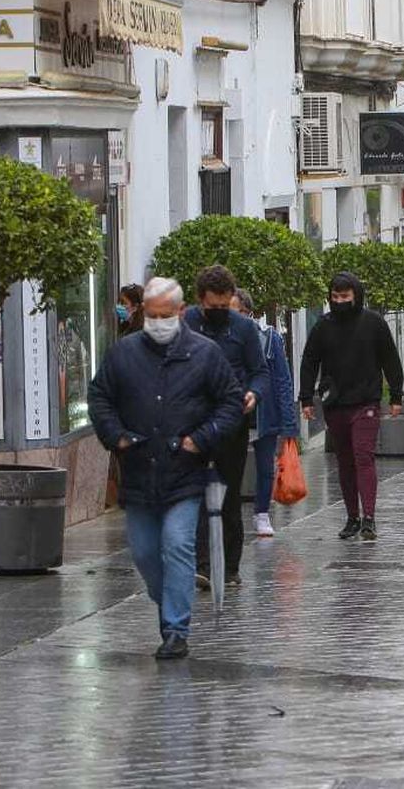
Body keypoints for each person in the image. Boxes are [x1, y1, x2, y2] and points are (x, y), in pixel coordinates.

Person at [89, 277, 243, 660]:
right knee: (143, 552)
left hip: (185, 470)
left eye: (164, 315)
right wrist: (117, 436)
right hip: (139, 469)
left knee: (177, 546)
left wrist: (201, 438)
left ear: (179, 312)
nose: (157, 322)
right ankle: (169, 599)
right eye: (150, 315)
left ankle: (176, 628)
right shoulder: (123, 354)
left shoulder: (205, 354)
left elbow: (230, 402)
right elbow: (100, 397)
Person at [299, 272, 404, 541]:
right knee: (344, 462)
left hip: (366, 402)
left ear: (356, 296)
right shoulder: (323, 326)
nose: (340, 301)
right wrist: (305, 398)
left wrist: (395, 395)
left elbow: (390, 359)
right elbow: (309, 360)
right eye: (335, 297)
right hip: (335, 403)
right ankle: (352, 517)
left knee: (363, 456)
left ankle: (369, 517)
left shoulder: (374, 324)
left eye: (345, 296)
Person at [182, 266, 269, 589]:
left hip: (232, 420)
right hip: (194, 419)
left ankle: (230, 567)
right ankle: (202, 565)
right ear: (200, 300)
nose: (218, 312)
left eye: (224, 306)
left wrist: (254, 393)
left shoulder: (244, 329)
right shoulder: (186, 322)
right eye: (212, 307)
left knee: (229, 494)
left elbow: (260, 371)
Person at [230, 289, 296, 538]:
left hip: (264, 414)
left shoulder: (270, 339)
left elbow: (282, 380)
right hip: (233, 413)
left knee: (265, 467)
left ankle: (262, 513)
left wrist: (289, 425)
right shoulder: (221, 339)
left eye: (237, 312)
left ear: (248, 313)